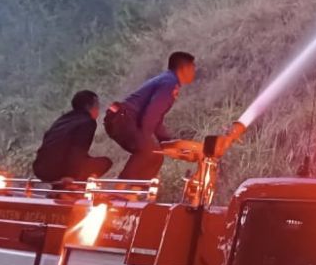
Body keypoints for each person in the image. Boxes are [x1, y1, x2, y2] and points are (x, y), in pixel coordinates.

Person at [105, 51, 197, 181]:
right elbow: (150, 117)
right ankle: (120, 189)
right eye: (193, 67)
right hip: (123, 119)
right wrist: (148, 140)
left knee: (155, 156)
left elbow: (156, 119)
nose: (195, 71)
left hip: (119, 118)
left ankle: (134, 191)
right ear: (184, 68)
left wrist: (167, 142)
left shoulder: (167, 80)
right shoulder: (169, 84)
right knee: (150, 152)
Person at [32, 90, 112, 184]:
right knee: (105, 163)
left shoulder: (63, 119)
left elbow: (49, 141)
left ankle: (59, 189)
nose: (98, 109)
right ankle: (69, 189)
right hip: (56, 170)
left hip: (40, 169)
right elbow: (77, 150)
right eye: (97, 105)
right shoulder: (87, 122)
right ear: (88, 106)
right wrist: (70, 176)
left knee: (84, 161)